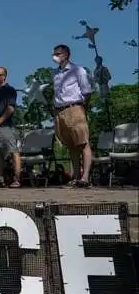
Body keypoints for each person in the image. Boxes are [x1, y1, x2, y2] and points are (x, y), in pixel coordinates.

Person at [51, 44, 94, 187]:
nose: (55, 56)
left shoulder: (78, 70)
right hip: (60, 111)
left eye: (58, 53)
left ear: (66, 55)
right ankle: (76, 176)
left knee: (83, 143)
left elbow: (86, 91)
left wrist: (82, 108)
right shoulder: (55, 73)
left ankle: (85, 177)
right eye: (54, 53)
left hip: (75, 107)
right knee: (71, 146)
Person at [0, 66, 22, 188]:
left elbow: (10, 109)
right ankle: (0, 179)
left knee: (13, 151)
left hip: (6, 126)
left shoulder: (10, 90)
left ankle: (16, 179)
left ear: (4, 76)